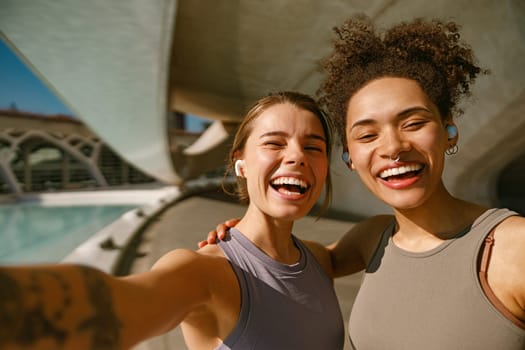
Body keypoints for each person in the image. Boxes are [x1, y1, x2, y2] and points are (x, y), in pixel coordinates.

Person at [203, 16, 525, 349]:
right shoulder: (374, 239)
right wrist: (241, 235)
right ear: (350, 158)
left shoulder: (514, 247)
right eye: (368, 135)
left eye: (413, 123)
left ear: (448, 131)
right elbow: (290, 260)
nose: (393, 148)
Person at [0, 91, 345, 349]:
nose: (297, 156)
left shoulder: (319, 259)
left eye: (313, 147)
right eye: (274, 143)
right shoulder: (205, 272)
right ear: (240, 161)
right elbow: (115, 303)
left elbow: (386, 234)